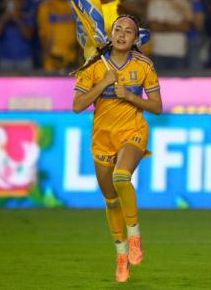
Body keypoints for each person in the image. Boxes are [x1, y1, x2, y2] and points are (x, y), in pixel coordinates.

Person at [72, 15, 162, 283]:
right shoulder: (94, 67)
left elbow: (157, 106)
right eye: (117, 30)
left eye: (128, 31)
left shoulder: (144, 65)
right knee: (111, 200)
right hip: (102, 138)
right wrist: (103, 84)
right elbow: (77, 106)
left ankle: (135, 237)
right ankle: (121, 255)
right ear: (111, 35)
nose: (122, 34)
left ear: (136, 39)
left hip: (133, 132)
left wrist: (131, 96)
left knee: (121, 176)